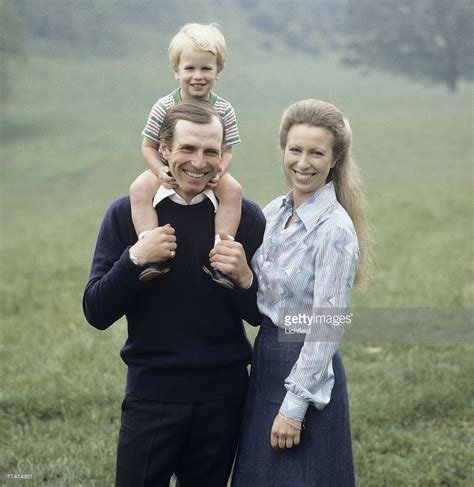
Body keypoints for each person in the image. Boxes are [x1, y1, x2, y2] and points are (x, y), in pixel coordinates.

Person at [83, 101, 265, 487]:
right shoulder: (124, 215)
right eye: (188, 148)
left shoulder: (246, 218)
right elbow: (96, 311)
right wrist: (134, 259)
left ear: (223, 155)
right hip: (152, 396)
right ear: (163, 149)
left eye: (210, 151)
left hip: (224, 399)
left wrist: (246, 278)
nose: (199, 162)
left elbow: (261, 316)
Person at [232, 99, 373, 486]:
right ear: (283, 150)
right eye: (295, 150)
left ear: (335, 159)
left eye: (317, 153)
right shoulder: (274, 214)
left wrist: (294, 408)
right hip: (267, 361)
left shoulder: (335, 230)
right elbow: (262, 296)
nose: (303, 162)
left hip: (306, 374)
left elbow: (327, 325)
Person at [131, 22, 242, 288]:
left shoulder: (224, 109)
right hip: (168, 170)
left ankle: (222, 258)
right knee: (139, 189)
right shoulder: (164, 106)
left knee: (234, 191)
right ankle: (150, 250)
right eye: (189, 68)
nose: (198, 76)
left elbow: (227, 151)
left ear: (218, 72)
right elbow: (147, 146)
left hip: (208, 172)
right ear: (176, 71)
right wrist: (160, 171)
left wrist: (220, 172)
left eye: (206, 68)